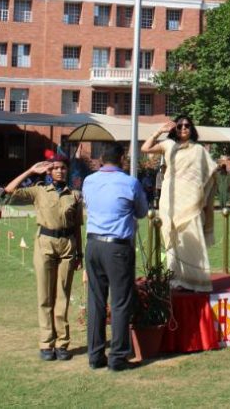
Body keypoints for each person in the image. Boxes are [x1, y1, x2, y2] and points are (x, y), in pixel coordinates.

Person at [4, 154, 83, 361]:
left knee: (62, 296)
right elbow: (9, 191)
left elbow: (77, 227)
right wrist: (31, 171)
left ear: (67, 170)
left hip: (67, 246)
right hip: (45, 244)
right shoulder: (39, 190)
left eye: (63, 167)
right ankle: (46, 343)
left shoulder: (74, 195)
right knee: (45, 296)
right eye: (55, 168)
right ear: (48, 172)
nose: (59, 171)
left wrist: (80, 253)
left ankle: (62, 342)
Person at [83, 142, 148, 371]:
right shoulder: (129, 182)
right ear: (122, 159)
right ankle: (118, 357)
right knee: (120, 302)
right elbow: (141, 211)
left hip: (93, 244)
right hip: (117, 247)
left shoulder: (89, 181)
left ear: (102, 159)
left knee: (96, 301)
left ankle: (95, 355)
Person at [141, 115, 218, 292]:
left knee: (193, 237)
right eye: (180, 126)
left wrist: (203, 196)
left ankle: (196, 280)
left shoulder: (199, 150)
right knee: (171, 235)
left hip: (192, 199)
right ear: (174, 129)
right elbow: (146, 148)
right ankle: (174, 278)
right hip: (171, 197)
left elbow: (211, 172)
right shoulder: (168, 144)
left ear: (192, 128)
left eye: (187, 126)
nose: (183, 128)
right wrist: (160, 131)